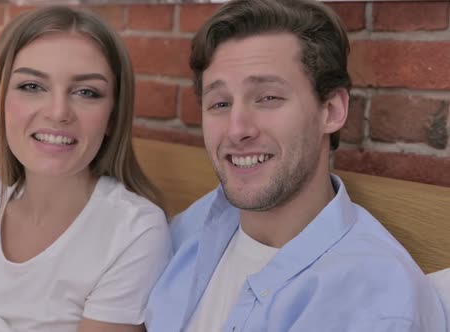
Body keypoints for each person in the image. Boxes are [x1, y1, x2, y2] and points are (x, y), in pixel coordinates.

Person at [145, 0, 446, 331]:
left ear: (330, 110)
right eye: (220, 103)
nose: (236, 129)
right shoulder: (195, 224)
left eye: (268, 97)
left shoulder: (373, 303)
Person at [0, 6, 171, 332]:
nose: (58, 112)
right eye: (31, 86)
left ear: (112, 115)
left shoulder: (132, 231)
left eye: (87, 92)